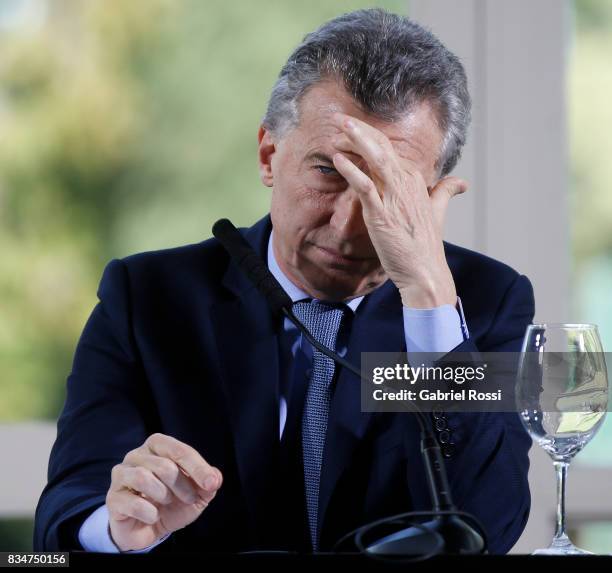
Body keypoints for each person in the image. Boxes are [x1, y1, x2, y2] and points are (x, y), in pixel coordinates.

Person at [34, 9, 534, 555]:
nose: (348, 225)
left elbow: (488, 528)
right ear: (269, 155)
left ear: (433, 191)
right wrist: (117, 528)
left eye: (388, 187)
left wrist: (429, 300)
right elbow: (62, 520)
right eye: (328, 171)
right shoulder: (146, 296)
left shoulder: (484, 302)